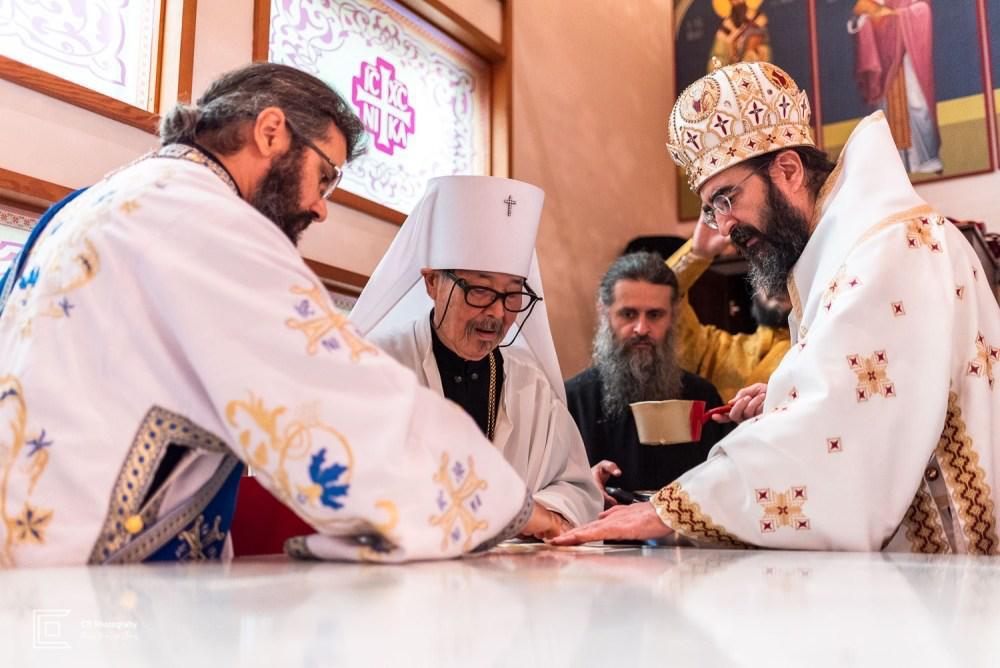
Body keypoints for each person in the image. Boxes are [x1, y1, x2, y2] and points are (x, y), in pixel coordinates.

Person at [0, 63, 538, 567]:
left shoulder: (89, 205)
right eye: (325, 176)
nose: (322, 206)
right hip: (93, 580)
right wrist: (503, 501)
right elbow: (331, 396)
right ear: (270, 131)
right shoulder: (208, 219)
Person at [554, 61, 1000, 554]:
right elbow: (873, 391)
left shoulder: (887, 247)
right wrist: (785, 397)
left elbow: (840, 427)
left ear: (787, 170)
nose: (723, 226)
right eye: (710, 209)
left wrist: (670, 509)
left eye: (726, 198)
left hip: (952, 570)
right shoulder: (852, 248)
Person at [350, 176, 602, 538]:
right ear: (433, 283)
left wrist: (542, 513)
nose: (498, 314)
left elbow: (578, 490)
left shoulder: (531, 384)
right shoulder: (375, 366)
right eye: (481, 291)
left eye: (513, 295)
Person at [564, 252, 730, 506]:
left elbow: (728, 484)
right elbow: (543, 490)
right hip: (598, 541)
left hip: (682, 542)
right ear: (604, 311)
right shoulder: (571, 399)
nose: (641, 329)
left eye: (654, 315)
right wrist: (579, 485)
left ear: (672, 316)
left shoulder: (703, 397)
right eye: (628, 314)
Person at [666, 218, 792, 402]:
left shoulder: (822, 347)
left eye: (785, 270)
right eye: (764, 271)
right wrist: (697, 254)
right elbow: (659, 309)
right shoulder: (720, 353)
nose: (773, 283)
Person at [849, 0, 941, 173]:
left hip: (910, 56)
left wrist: (900, 16)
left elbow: (923, 9)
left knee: (917, 103)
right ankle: (895, 163)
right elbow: (863, 15)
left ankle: (924, 158)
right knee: (886, 109)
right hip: (886, 59)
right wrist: (866, 19)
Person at [709, 0, 771, 71]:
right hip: (733, 72)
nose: (736, 1)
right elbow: (718, 54)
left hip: (755, 69)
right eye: (733, 0)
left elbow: (763, 44)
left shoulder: (757, 18)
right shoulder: (726, 26)